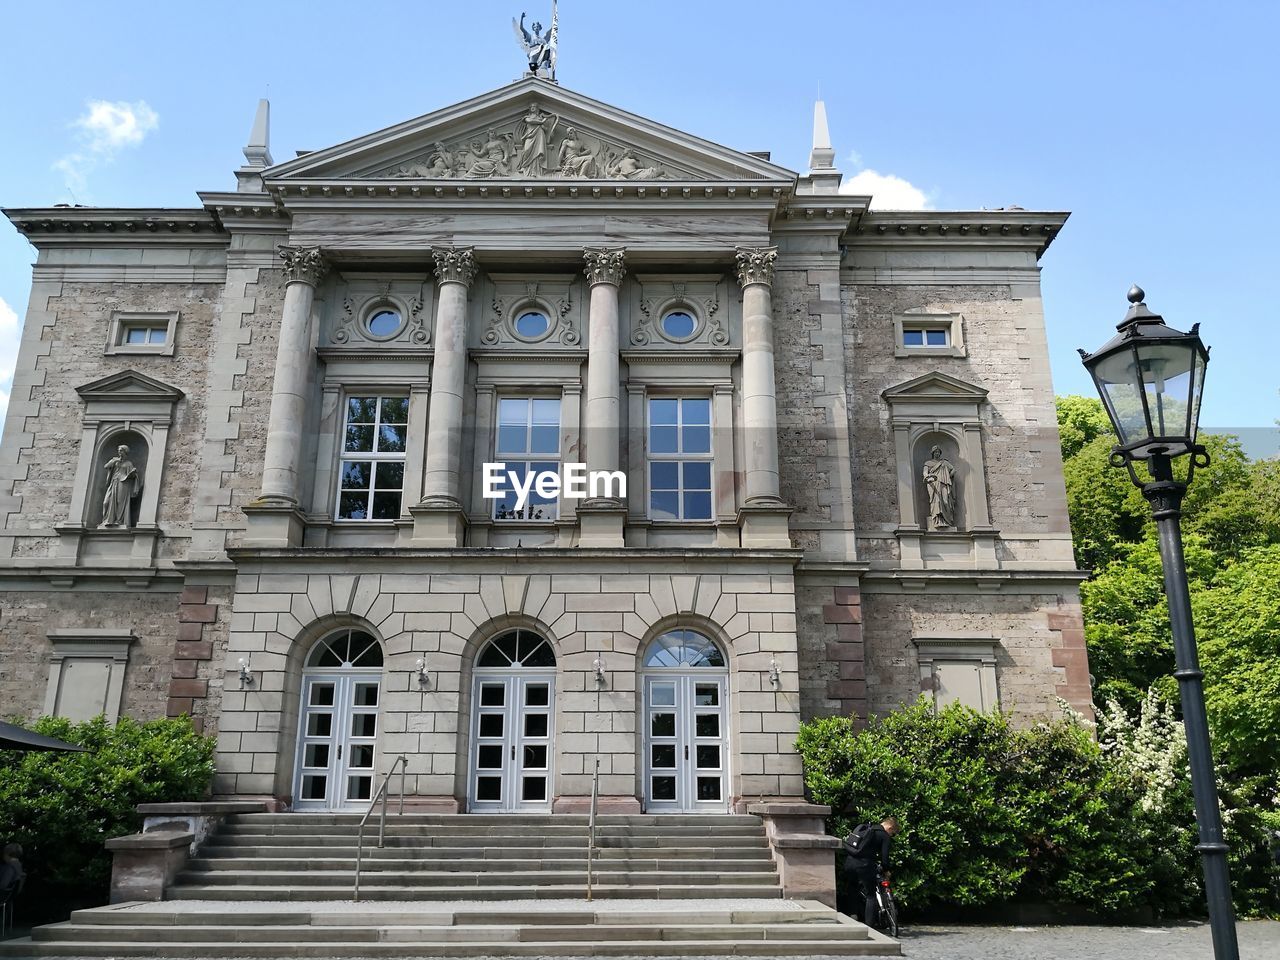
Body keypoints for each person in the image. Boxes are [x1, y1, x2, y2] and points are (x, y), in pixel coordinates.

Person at [843, 816, 899, 926]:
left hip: (849, 862)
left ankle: (852, 915)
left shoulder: (865, 828)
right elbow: (885, 859)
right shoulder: (884, 836)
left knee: (852, 887)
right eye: (893, 833)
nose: (891, 836)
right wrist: (886, 870)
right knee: (871, 894)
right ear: (890, 828)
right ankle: (869, 925)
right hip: (865, 865)